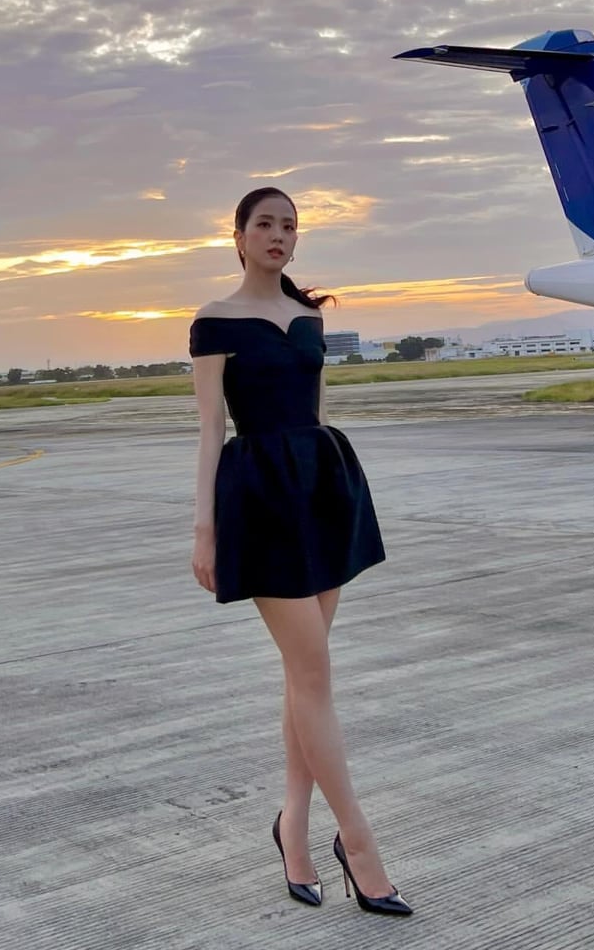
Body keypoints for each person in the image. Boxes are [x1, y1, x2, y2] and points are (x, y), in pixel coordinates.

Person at [189, 186, 413, 917]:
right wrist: (205, 530)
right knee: (313, 675)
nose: (278, 235)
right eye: (265, 224)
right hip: (259, 499)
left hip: (322, 489)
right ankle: (360, 843)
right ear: (238, 236)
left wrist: (329, 485)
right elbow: (210, 429)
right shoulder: (214, 321)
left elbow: (315, 413)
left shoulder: (309, 318)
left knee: (303, 677)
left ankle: (293, 830)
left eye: (289, 226)